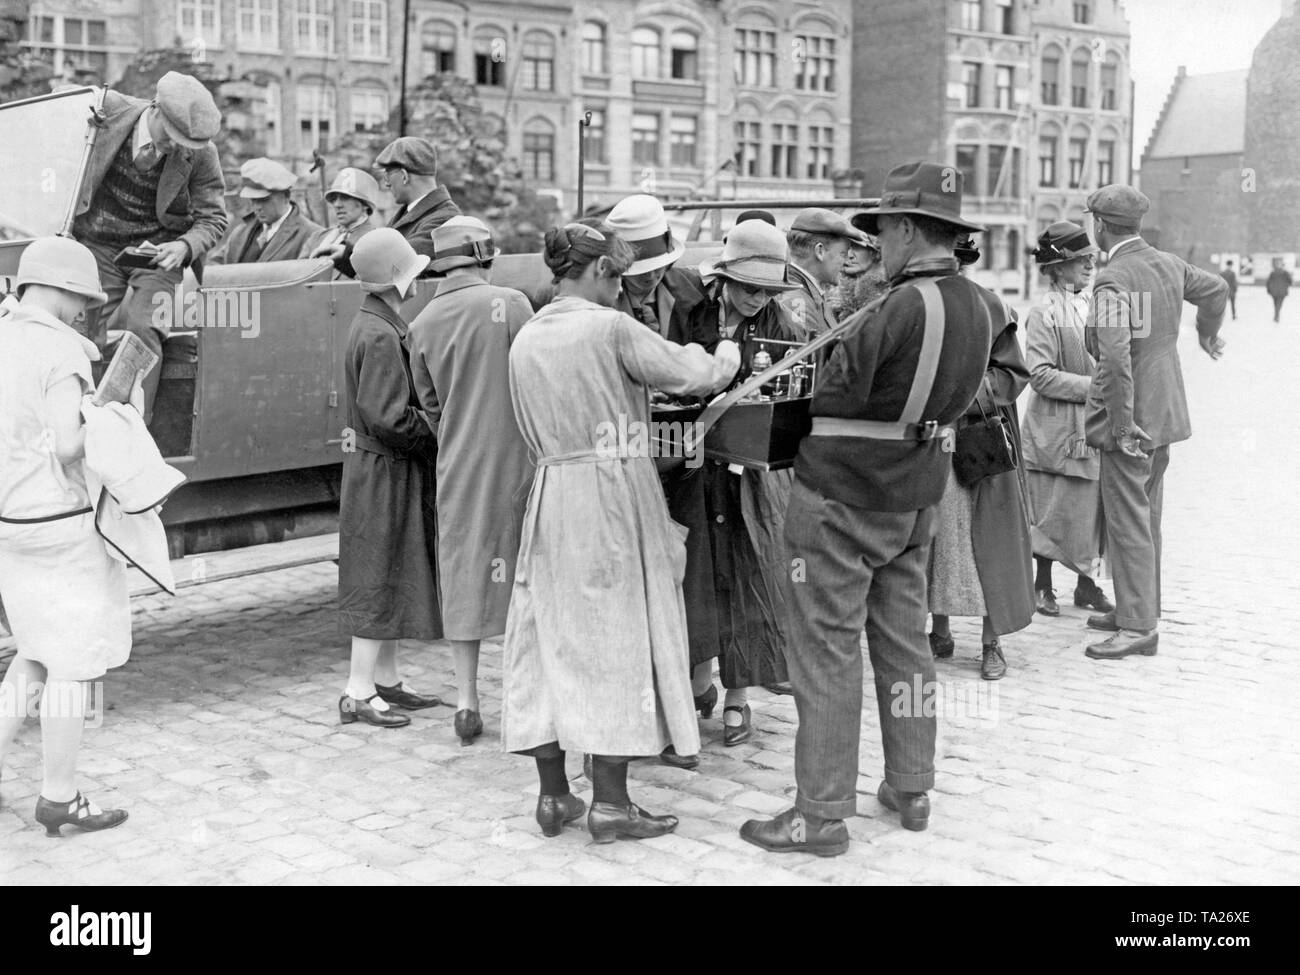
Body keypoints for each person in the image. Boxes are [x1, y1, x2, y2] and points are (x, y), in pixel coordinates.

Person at [738, 161, 993, 855]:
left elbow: (836, 391)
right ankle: (911, 783)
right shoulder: (979, 303)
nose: (878, 244)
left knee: (825, 652)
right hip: (915, 498)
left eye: (883, 231)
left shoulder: (892, 305)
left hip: (842, 497)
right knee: (906, 642)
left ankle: (819, 814)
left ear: (909, 228)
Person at [502, 220, 740, 841]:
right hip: (610, 493)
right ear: (604, 271)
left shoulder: (528, 334)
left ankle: (554, 796)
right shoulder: (609, 328)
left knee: (547, 634)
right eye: (620, 276)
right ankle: (610, 803)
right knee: (615, 635)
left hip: (552, 492)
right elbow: (690, 375)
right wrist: (726, 357)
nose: (623, 290)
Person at [0, 237, 130, 835]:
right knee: (72, 665)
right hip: (61, 523)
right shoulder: (60, 352)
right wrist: (111, 410)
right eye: (83, 299)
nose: (86, 311)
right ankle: (60, 795)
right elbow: (69, 445)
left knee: (32, 652)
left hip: (11, 526)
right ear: (65, 290)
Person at [669, 221, 804, 746]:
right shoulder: (691, 310)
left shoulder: (782, 326)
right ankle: (699, 678)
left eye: (767, 290)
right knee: (698, 573)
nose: (756, 298)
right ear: (724, 277)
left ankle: (739, 697)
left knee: (748, 575)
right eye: (749, 287)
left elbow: (795, 397)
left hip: (751, 476)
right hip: (696, 467)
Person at [1082, 185, 1226, 659]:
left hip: (1132, 420)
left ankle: (1138, 627)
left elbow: (1116, 354)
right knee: (1147, 515)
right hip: (1164, 412)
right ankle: (1136, 606)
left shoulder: (1113, 278)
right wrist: (1207, 334)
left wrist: (1121, 423)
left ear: (1100, 226)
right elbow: (1217, 288)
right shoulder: (1168, 264)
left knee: (1127, 521)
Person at [407, 217, 534, 746]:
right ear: (484, 256)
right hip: (522, 457)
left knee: (463, 569)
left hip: (458, 462)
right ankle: (524, 697)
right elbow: (538, 372)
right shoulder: (513, 304)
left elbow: (429, 404)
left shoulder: (423, 321)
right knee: (528, 572)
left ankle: (466, 700)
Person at [71, 70, 229, 422]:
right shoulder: (107, 109)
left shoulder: (201, 154)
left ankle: (136, 427)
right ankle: (77, 418)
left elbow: (214, 218)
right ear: (154, 108)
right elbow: (57, 103)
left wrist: (185, 246)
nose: (174, 147)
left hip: (158, 255)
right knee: (80, 330)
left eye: (183, 143)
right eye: (170, 137)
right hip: (96, 245)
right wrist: (77, 118)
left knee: (145, 330)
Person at [336, 228, 445, 727]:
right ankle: (358, 691)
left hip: (381, 466)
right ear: (394, 281)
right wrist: (437, 427)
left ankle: (387, 681)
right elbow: (388, 417)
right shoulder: (380, 333)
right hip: (385, 467)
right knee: (377, 573)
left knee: (390, 566)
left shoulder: (376, 323)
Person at [926, 233, 1035, 680]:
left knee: (987, 539)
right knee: (934, 535)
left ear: (962, 263)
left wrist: (958, 392)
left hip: (979, 436)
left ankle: (992, 643)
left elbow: (1012, 374)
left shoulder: (991, 308)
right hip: (929, 437)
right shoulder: (916, 305)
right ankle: (940, 628)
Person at [1021, 222, 1114, 618]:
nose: (1089, 267)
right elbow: (1038, 374)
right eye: (1079, 261)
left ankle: (1087, 584)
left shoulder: (1096, 304)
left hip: (1090, 425)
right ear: (1056, 269)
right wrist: (1094, 385)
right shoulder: (1044, 312)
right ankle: (1042, 585)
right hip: (1055, 426)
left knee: (1090, 504)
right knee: (1051, 505)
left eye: (1091, 259)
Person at [606, 193, 704, 341]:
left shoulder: (692, 289)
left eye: (657, 268)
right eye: (641, 270)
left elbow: (706, 344)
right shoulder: (600, 299)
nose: (651, 276)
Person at [777, 207, 871, 339]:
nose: (846, 261)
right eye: (843, 253)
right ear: (820, 251)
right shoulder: (797, 302)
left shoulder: (806, 293)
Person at [210, 158, 322, 264]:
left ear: (286, 196)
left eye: (264, 200)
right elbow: (217, 264)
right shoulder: (240, 233)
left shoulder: (312, 235)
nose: (257, 207)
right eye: (253, 200)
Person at [375, 136, 463, 259]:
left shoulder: (445, 219)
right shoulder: (407, 213)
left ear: (404, 176)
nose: (387, 183)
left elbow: (394, 260)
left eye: (388, 175)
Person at [307, 168, 384, 270]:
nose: (337, 204)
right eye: (334, 199)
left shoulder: (375, 241)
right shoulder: (317, 238)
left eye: (345, 198)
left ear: (365, 205)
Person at [827, 219, 888, 320]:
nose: (849, 255)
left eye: (856, 248)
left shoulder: (885, 290)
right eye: (845, 249)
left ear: (875, 252)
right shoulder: (835, 292)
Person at [1266, 259, 1292, 323]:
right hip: (1282, 291)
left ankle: (1276, 315)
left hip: (1274, 291)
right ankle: (1277, 315)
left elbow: (1268, 282)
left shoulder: (1273, 272)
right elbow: (1290, 281)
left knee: (1275, 303)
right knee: (1279, 304)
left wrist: (1269, 289)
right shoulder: (1285, 273)